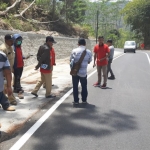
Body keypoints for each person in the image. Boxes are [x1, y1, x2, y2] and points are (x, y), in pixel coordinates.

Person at [70, 38, 92, 104]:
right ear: (85, 44)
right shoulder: (88, 52)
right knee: (84, 86)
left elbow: (71, 60)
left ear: (78, 44)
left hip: (75, 72)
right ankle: (84, 100)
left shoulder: (74, 51)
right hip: (83, 72)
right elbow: (89, 61)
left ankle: (76, 101)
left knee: (75, 86)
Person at [0, 34, 17, 105]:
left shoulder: (11, 47)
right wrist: (5, 73)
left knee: (5, 86)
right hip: (4, 71)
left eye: (13, 40)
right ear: (6, 40)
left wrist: (12, 68)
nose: (12, 42)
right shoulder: (2, 49)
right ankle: (11, 99)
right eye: (11, 40)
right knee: (6, 86)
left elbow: (11, 59)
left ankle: (4, 100)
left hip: (9, 69)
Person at [12, 34, 30, 98]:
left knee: (18, 77)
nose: (19, 42)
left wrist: (24, 57)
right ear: (14, 40)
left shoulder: (19, 47)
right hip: (16, 65)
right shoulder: (13, 48)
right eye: (18, 41)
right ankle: (18, 89)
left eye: (20, 41)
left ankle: (16, 86)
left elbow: (20, 55)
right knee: (17, 77)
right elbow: (12, 57)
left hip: (20, 65)